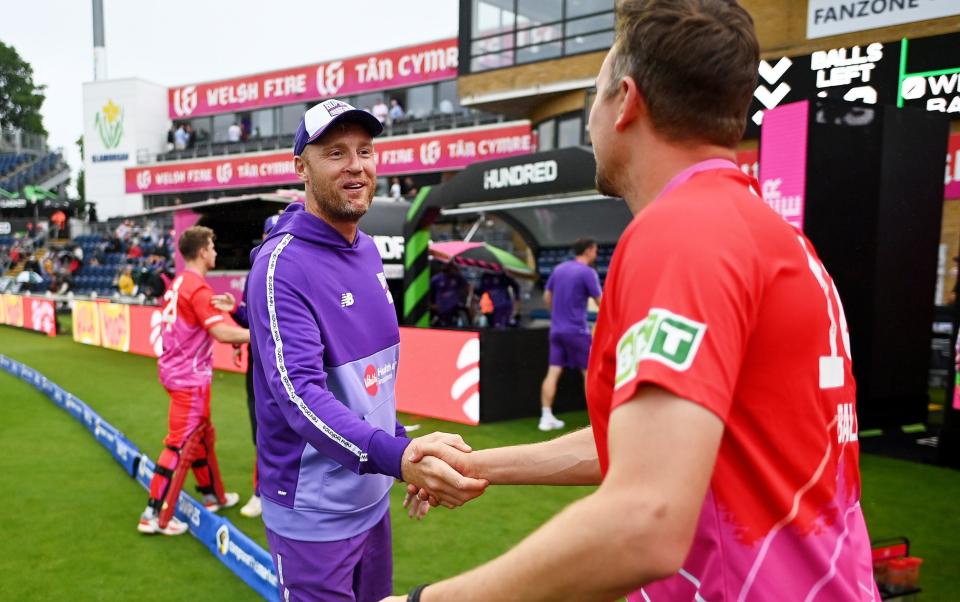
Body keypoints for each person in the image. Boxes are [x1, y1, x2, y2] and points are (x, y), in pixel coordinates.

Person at [389, 1, 878, 600]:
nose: (591, 118)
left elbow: (644, 520)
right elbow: (647, 447)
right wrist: (479, 465)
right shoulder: (768, 234)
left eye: (593, 96)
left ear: (626, 101)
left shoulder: (681, 234)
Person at [245, 98, 486, 602]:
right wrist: (400, 457)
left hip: (372, 496)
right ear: (301, 168)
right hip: (313, 513)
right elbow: (300, 397)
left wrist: (404, 449)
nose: (356, 166)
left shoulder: (370, 248)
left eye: (365, 150)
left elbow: (368, 390)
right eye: (335, 153)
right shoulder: (281, 265)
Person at [137, 226, 251, 536]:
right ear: (202, 251)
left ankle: (213, 496)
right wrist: (263, 335)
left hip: (178, 371)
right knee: (179, 444)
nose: (215, 252)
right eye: (212, 246)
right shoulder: (197, 288)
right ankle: (154, 514)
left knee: (203, 435)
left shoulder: (180, 284)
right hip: (189, 377)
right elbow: (222, 333)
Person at [209, 213, 283, 519]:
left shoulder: (300, 270)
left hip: (292, 368)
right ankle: (261, 492)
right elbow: (252, 321)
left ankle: (278, 493)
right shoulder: (257, 274)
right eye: (272, 235)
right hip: (260, 369)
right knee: (262, 432)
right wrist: (237, 311)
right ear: (264, 238)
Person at [538, 238, 602, 431]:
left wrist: (555, 314)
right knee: (589, 374)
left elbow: (547, 296)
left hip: (556, 330)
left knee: (553, 372)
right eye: (595, 250)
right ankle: (596, 420)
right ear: (589, 250)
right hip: (577, 331)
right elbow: (602, 302)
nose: (596, 254)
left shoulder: (559, 269)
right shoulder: (588, 272)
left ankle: (546, 417)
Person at [429, 261, 469, 328]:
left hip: (454, 309)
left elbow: (466, 287)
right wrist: (431, 305)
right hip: (440, 310)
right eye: (444, 264)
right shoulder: (436, 279)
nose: (445, 266)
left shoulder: (457, 277)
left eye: (448, 264)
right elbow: (429, 293)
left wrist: (461, 298)